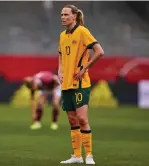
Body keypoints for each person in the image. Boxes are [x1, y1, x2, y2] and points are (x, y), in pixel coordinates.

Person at [58, 5, 104, 164]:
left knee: (82, 118)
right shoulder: (62, 35)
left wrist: (84, 68)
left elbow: (99, 51)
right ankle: (77, 156)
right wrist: (60, 71)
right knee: (72, 120)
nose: (63, 17)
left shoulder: (83, 32)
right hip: (66, 83)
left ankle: (89, 155)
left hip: (80, 83)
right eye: (62, 14)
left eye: (66, 14)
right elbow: (61, 56)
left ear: (75, 16)